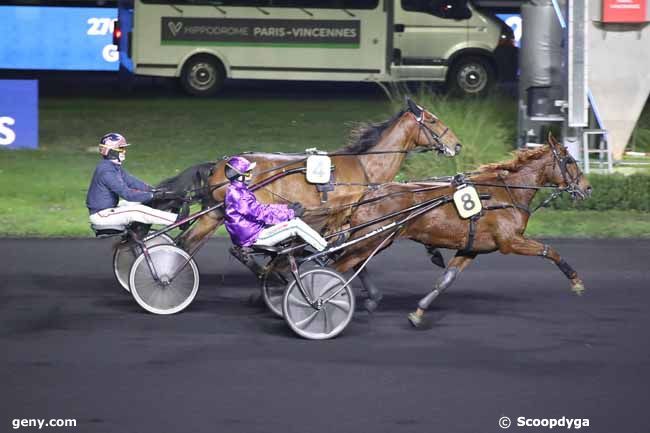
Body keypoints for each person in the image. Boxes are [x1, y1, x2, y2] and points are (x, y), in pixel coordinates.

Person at [223, 156, 328, 252]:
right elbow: (260, 213)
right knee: (295, 225)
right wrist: (290, 214)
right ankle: (325, 248)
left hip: (251, 233)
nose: (251, 175)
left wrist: (286, 208)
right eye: (248, 173)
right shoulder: (238, 194)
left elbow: (262, 208)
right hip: (253, 237)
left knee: (292, 221)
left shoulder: (237, 190)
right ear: (238, 176)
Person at [86, 132, 179, 229]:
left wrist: (154, 190)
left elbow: (133, 182)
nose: (124, 151)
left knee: (137, 203)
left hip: (108, 210)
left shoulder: (113, 167)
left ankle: (168, 214)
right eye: (121, 148)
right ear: (110, 151)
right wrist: (152, 195)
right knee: (137, 211)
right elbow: (128, 194)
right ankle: (177, 220)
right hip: (102, 215)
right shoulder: (107, 171)